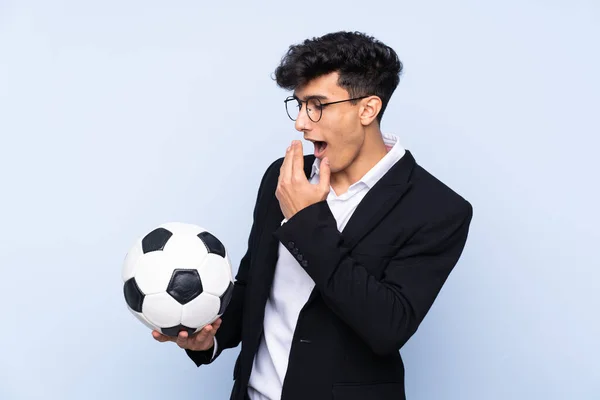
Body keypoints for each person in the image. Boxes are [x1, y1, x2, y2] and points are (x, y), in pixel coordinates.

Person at [152, 31, 473, 400]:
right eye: (300, 104)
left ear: (367, 109)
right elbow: (252, 285)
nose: (301, 123)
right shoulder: (284, 176)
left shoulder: (438, 210)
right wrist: (205, 337)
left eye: (317, 105)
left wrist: (307, 222)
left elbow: (387, 327)